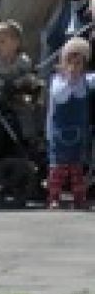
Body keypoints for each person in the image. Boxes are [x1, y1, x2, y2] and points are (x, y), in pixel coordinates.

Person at [45, 35, 95, 209]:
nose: (74, 67)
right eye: (70, 62)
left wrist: (77, 80)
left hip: (79, 133)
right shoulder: (58, 82)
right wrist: (69, 80)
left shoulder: (86, 82)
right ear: (63, 63)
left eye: (78, 63)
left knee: (77, 170)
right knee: (57, 170)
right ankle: (54, 197)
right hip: (59, 133)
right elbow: (60, 97)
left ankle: (79, 198)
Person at [0, 19, 37, 95]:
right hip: (0, 96)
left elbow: (28, 74)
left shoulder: (23, 60)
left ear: (16, 43)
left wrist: (27, 80)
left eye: (2, 42)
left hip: (19, 94)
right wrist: (3, 84)